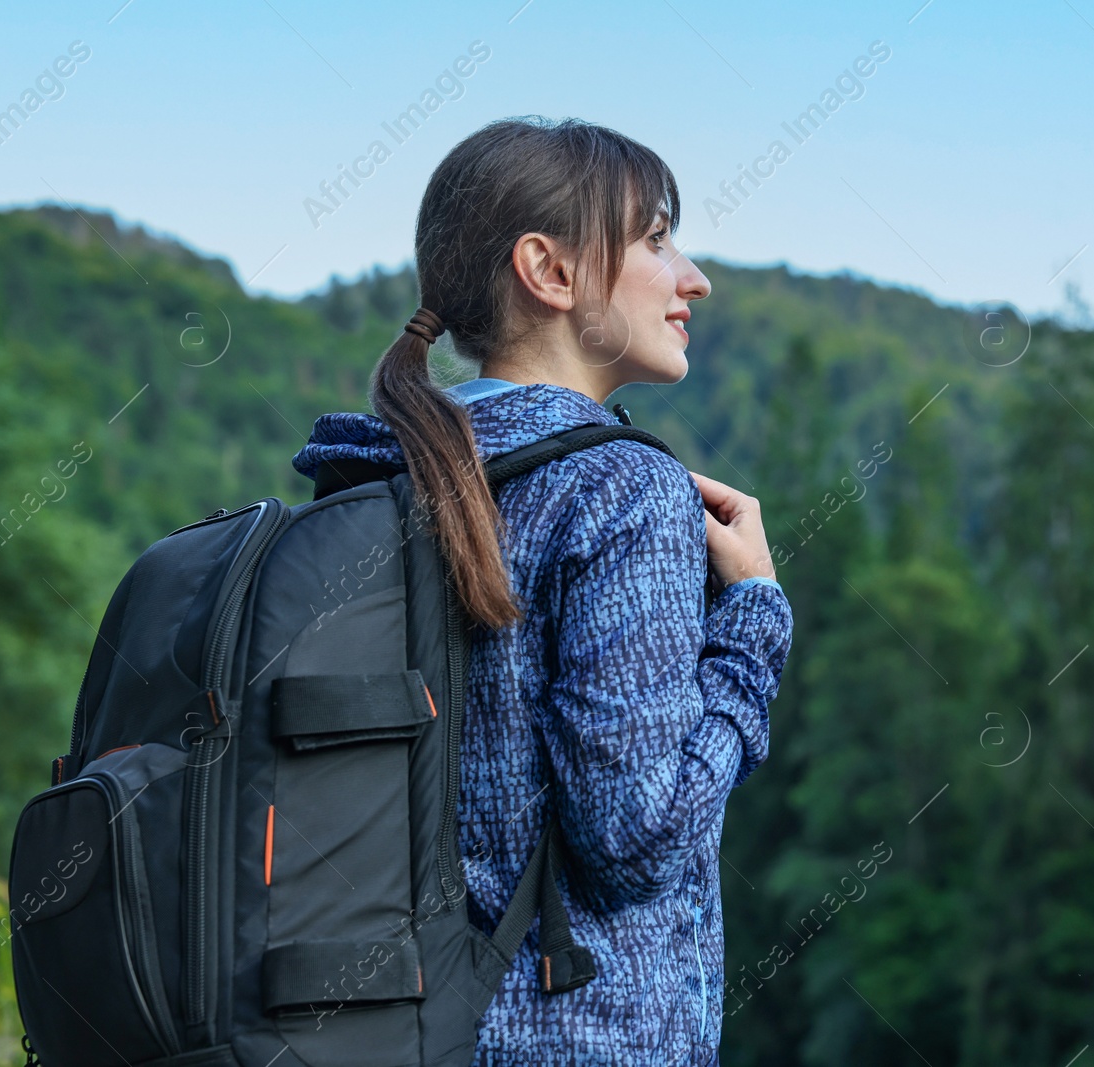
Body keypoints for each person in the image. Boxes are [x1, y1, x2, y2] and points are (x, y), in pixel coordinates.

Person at [291, 116, 793, 1065]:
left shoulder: (379, 479)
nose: (694, 278)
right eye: (654, 238)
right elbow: (638, 842)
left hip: (402, 1032)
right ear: (549, 272)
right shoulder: (617, 488)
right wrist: (755, 624)